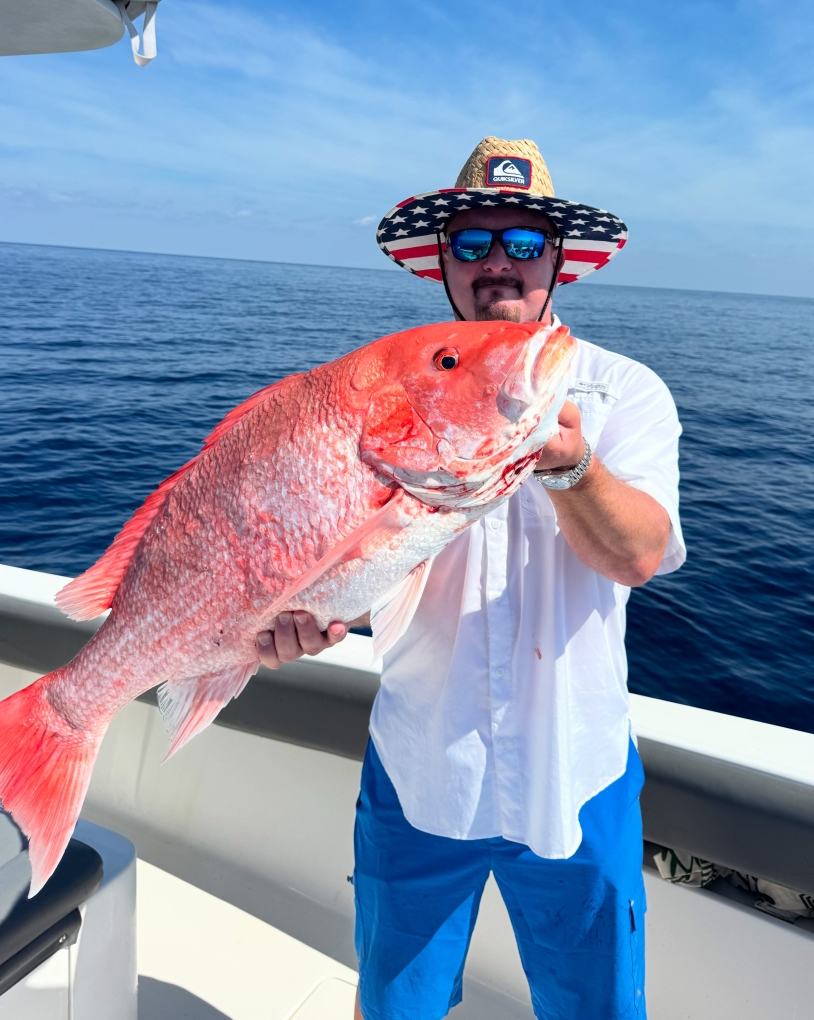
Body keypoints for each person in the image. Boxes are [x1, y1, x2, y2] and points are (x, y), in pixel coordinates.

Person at [254, 138, 685, 1020]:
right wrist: (298, 615)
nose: (498, 262)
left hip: (577, 778)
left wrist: (571, 466)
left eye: (523, 242)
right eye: (472, 241)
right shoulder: (383, 395)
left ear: (558, 258)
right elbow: (346, 565)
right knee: (394, 1006)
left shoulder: (627, 390)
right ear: (443, 262)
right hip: (420, 771)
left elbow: (641, 554)